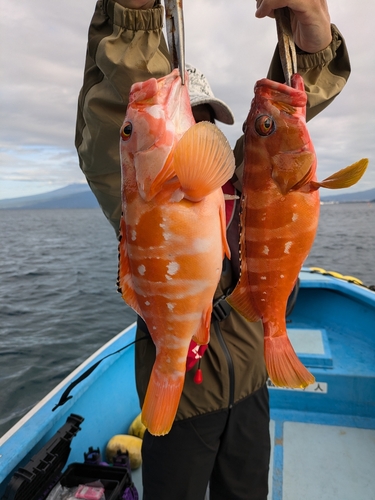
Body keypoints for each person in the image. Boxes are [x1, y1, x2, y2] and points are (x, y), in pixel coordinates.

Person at [75, 1, 350, 498]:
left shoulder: (246, 186)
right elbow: (122, 113)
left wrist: (312, 51)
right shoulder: (136, 187)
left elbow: (279, 136)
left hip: (250, 383)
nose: (199, 131)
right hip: (185, 398)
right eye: (191, 117)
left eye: (208, 122)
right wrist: (131, 16)